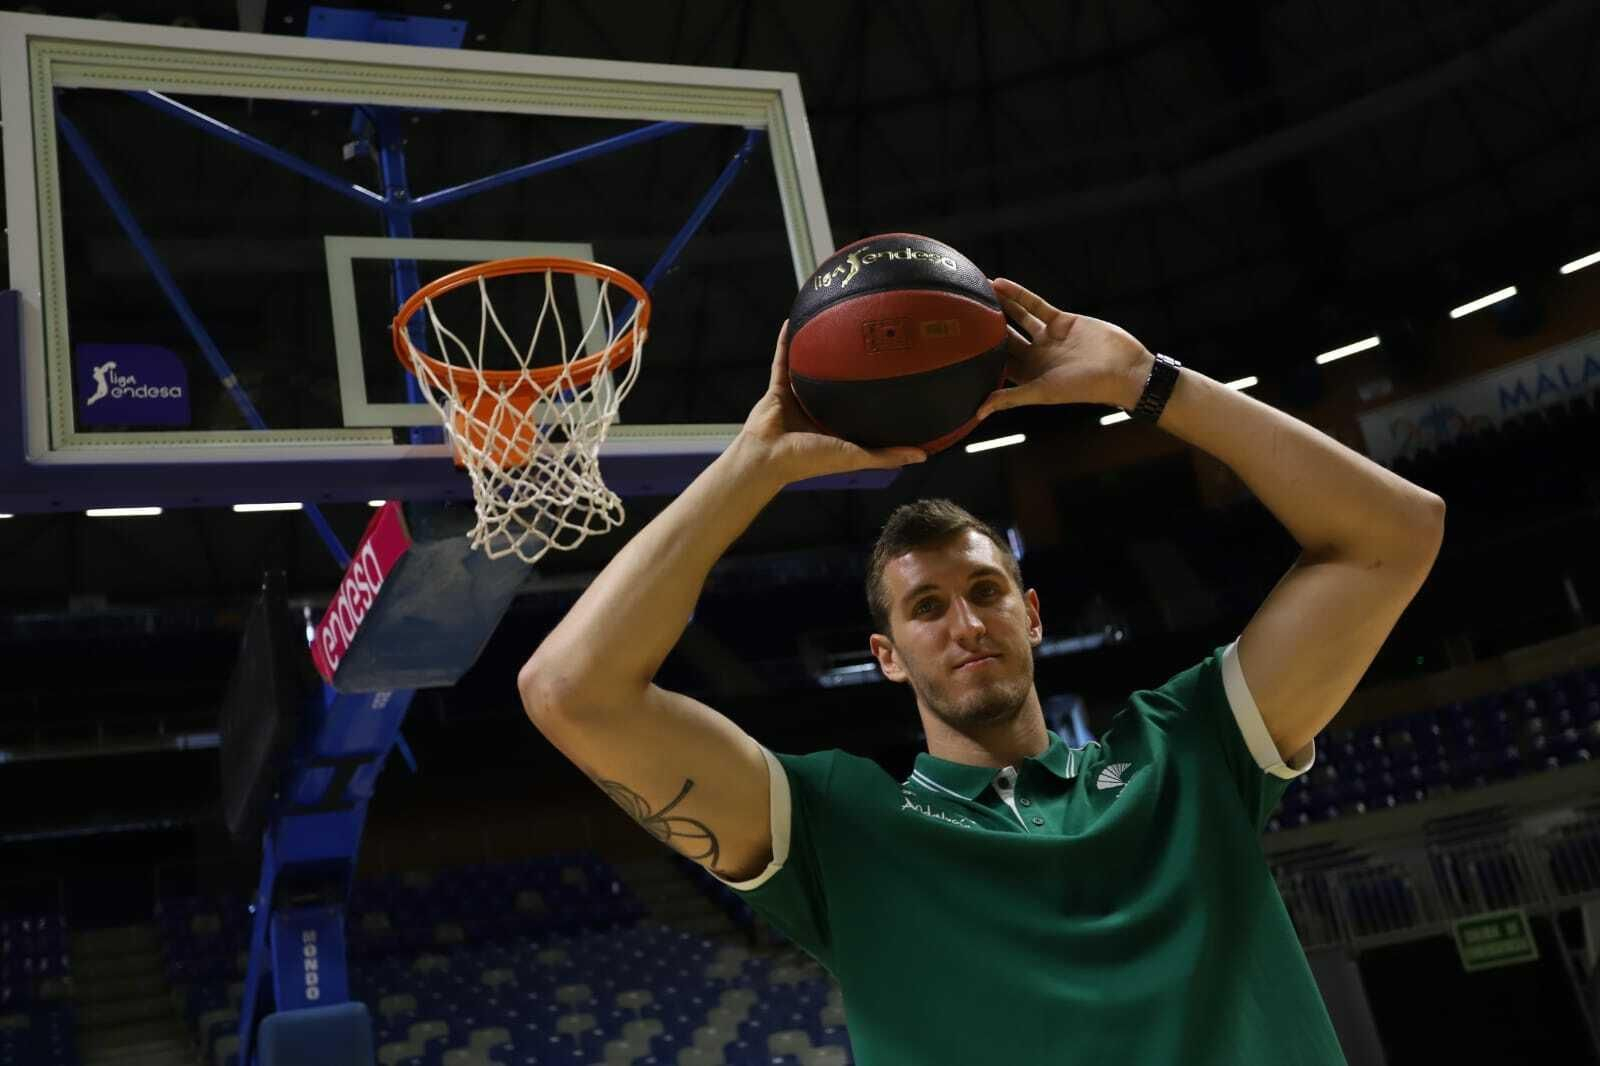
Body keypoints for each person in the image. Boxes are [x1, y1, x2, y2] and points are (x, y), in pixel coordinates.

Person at [519, 277, 1445, 1065]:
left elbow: (1395, 537)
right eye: (926, 608)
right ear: (885, 657)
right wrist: (755, 463)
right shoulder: (841, 828)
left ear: (1031, 614)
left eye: (986, 591)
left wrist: (1145, 384)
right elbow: (570, 691)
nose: (964, 622)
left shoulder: (1190, 745)